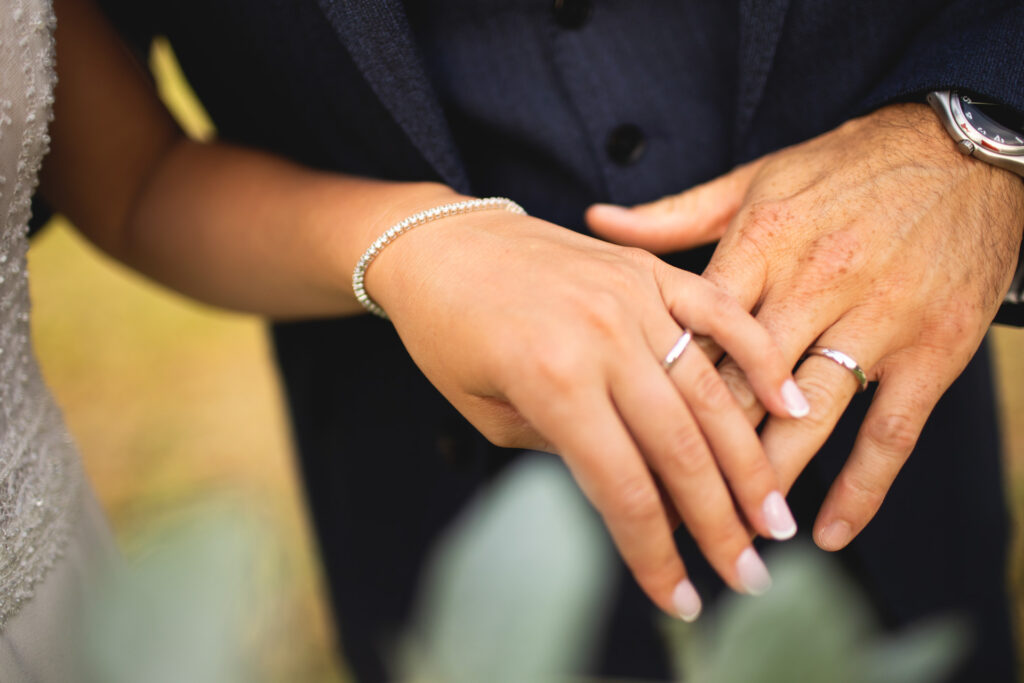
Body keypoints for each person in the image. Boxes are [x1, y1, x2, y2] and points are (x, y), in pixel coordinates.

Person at [85, 1, 1024, 680]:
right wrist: (409, 245)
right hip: (438, 504)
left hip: (891, 476)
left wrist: (982, 131)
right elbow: (124, 175)